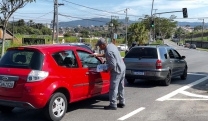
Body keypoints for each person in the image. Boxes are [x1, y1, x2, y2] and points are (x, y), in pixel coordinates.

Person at [94, 38, 126, 110]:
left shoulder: (108, 51)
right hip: (122, 67)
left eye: (99, 46)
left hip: (117, 70)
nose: (99, 47)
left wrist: (107, 70)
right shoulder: (111, 46)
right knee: (121, 86)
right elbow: (107, 55)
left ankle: (113, 104)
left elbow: (112, 65)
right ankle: (122, 102)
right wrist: (97, 55)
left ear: (102, 45)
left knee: (113, 88)